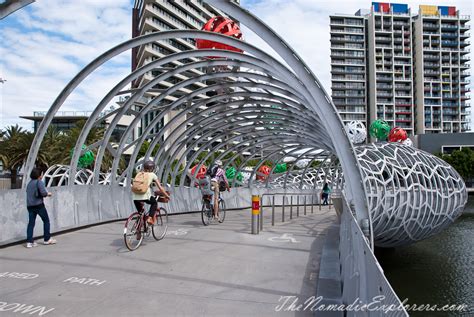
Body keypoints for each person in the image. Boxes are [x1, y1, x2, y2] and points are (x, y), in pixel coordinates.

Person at [26, 168, 56, 248]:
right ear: (39, 175)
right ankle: (47, 239)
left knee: (31, 224)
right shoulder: (39, 182)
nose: (42, 175)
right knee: (46, 221)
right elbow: (43, 193)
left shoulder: (29, 183)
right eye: (41, 174)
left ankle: (29, 242)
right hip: (38, 205)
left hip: (30, 206)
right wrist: (48, 194)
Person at [132, 160, 170, 225]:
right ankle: (150, 218)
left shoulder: (139, 174)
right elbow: (160, 188)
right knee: (154, 203)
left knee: (141, 214)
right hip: (145, 196)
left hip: (135, 197)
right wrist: (167, 195)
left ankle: (139, 231)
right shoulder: (152, 175)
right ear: (152, 169)